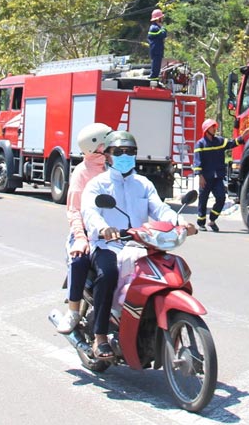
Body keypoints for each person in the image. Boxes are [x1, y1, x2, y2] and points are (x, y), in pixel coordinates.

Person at [81, 130, 199, 359]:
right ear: (107, 156)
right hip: (108, 246)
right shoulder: (97, 185)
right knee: (107, 275)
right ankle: (101, 337)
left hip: (139, 245)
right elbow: (89, 212)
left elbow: (160, 209)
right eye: (119, 152)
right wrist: (103, 228)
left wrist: (180, 221)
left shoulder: (143, 184)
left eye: (130, 152)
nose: (125, 156)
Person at [54, 122, 112, 334]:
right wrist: (80, 237)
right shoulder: (82, 172)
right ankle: (73, 310)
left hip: (115, 232)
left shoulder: (114, 168)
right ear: (96, 147)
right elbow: (74, 209)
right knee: (79, 260)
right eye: (108, 143)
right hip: (88, 232)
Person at [193, 119, 249, 232]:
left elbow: (232, 143)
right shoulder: (200, 144)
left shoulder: (220, 141)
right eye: (212, 127)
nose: (215, 129)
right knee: (203, 200)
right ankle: (201, 223)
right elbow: (197, 162)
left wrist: (243, 136)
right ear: (206, 129)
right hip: (205, 178)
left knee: (221, 198)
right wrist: (200, 176)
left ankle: (212, 220)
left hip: (217, 177)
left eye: (215, 126)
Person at [147, 8, 167, 85]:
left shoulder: (156, 27)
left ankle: (155, 78)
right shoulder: (154, 28)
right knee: (156, 65)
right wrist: (163, 28)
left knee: (157, 65)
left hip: (157, 49)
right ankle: (153, 79)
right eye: (161, 18)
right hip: (156, 50)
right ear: (158, 19)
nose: (162, 19)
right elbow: (163, 34)